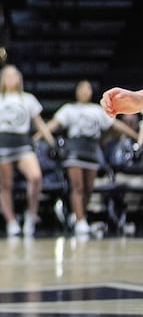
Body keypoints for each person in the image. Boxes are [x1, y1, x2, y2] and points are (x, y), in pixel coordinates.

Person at [47, 79, 141, 237]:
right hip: (75, 149)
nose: (84, 91)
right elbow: (52, 125)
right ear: (77, 91)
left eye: (88, 88)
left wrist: (135, 135)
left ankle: (78, 215)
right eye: (82, 88)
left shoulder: (96, 110)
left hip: (91, 149)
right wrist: (38, 137)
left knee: (88, 188)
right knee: (77, 187)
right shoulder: (69, 109)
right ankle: (80, 220)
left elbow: (116, 126)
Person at [0, 64, 56, 238]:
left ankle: (31, 215)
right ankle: (11, 221)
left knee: (36, 177)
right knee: (6, 185)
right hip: (4, 144)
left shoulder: (28, 99)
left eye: (15, 75)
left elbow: (40, 123)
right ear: (2, 79)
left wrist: (51, 141)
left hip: (23, 144)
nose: (12, 78)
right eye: (9, 75)